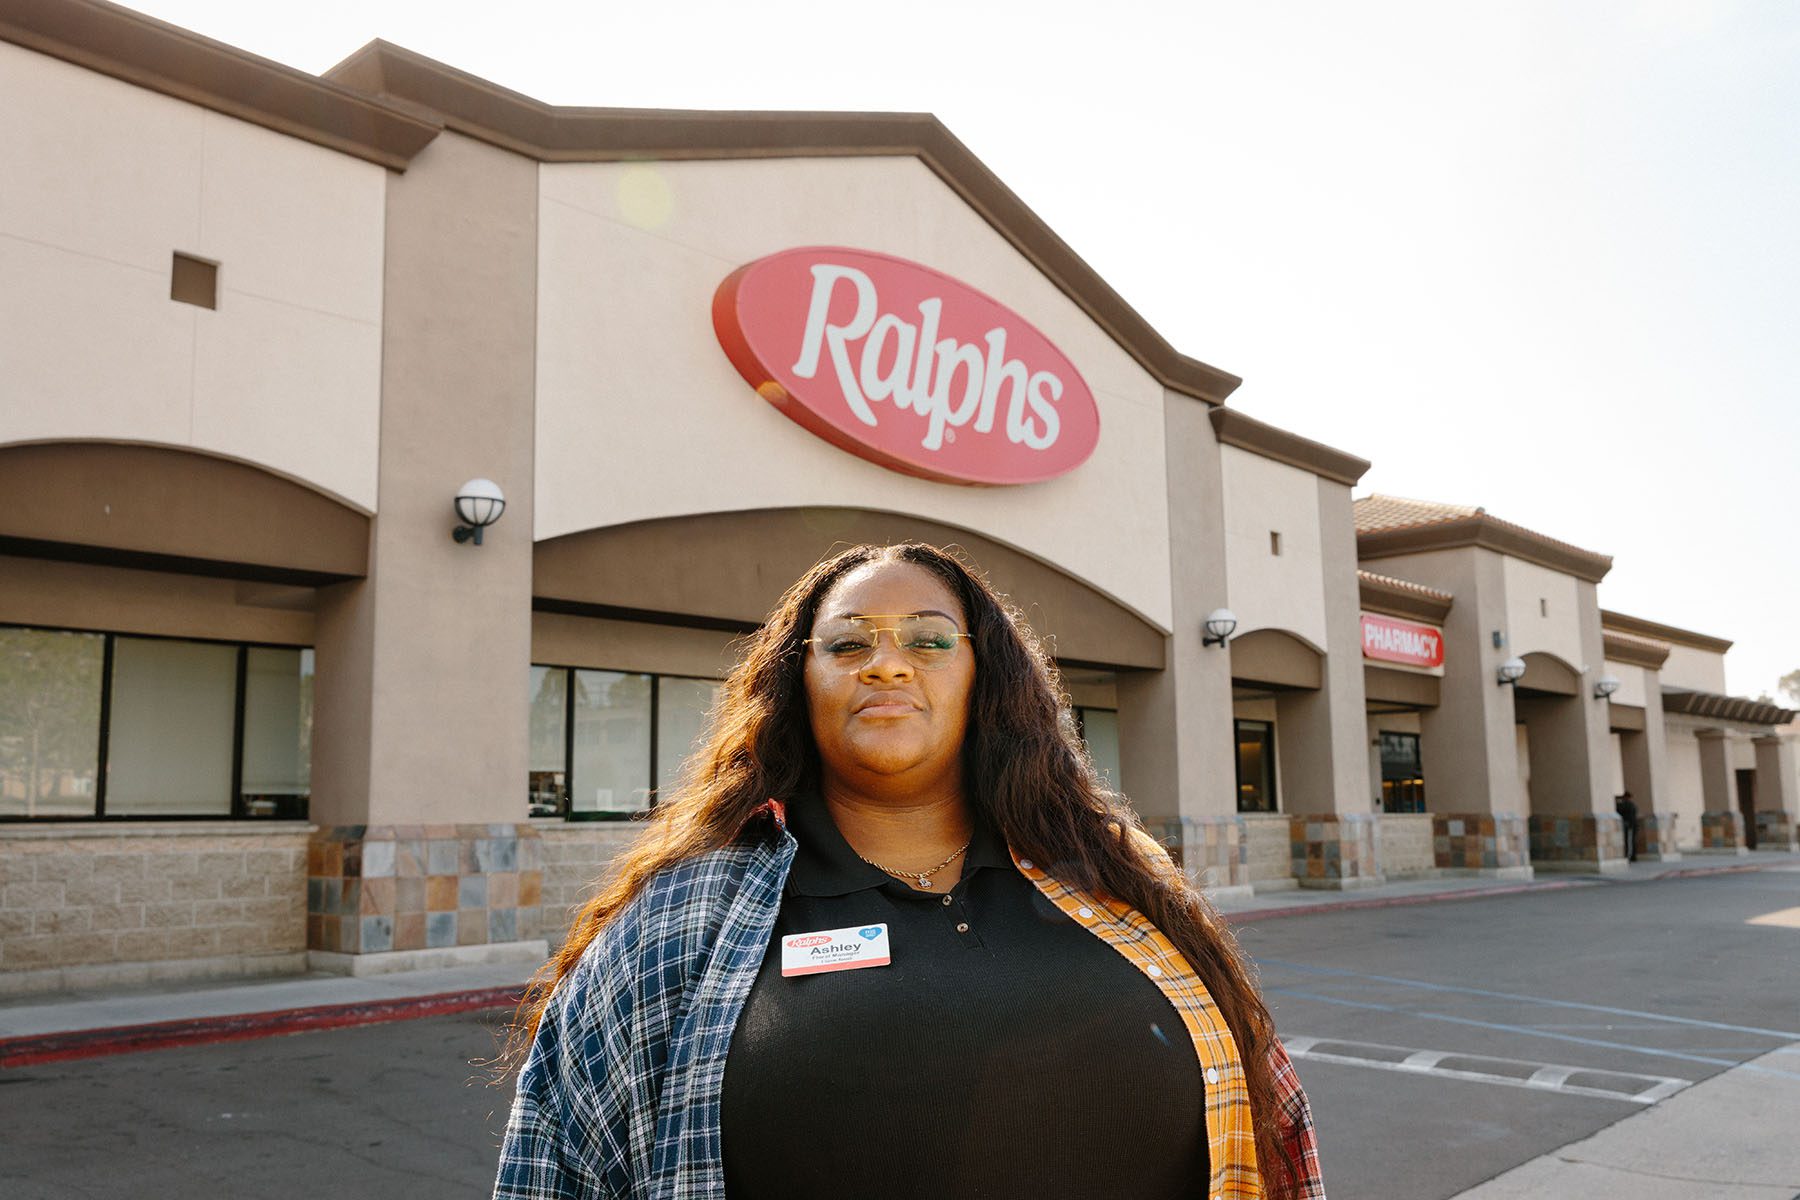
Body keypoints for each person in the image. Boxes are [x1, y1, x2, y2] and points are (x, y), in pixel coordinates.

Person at [493, 542, 1324, 1199]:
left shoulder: (1120, 879)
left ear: (983, 678)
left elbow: (1268, 1122)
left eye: (929, 640)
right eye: (848, 644)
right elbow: (556, 1164)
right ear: (797, 683)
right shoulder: (684, 915)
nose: (887, 666)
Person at [1616, 791, 1639, 862]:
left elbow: (1619, 810)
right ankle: (1632, 856)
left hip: (1629, 826)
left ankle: (1629, 856)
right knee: (1631, 841)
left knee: (1629, 841)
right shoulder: (1633, 805)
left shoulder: (1627, 805)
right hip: (1632, 825)